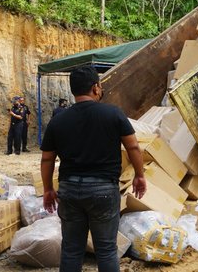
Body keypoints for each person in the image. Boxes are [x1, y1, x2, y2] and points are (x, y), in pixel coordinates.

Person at [40, 66, 146, 272]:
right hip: (104, 191)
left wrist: (47, 189)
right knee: (106, 250)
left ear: (73, 91)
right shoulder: (112, 113)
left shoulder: (58, 120)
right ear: (95, 88)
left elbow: (47, 159)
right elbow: (132, 146)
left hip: (69, 190)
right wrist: (139, 175)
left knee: (71, 249)